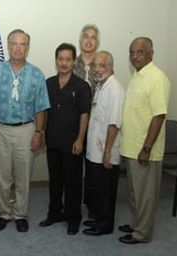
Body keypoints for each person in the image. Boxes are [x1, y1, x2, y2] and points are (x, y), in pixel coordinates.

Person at [0, 29, 50, 232]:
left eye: (22, 44)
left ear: (27, 48)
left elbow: (41, 107)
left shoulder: (36, 74)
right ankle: (4, 213)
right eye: (14, 43)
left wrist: (39, 133)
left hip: (26, 130)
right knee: (2, 176)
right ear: (7, 45)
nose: (18, 48)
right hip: (2, 129)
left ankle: (20, 213)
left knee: (23, 176)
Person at [119, 37, 171, 244]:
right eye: (132, 52)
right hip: (131, 148)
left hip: (145, 150)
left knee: (145, 196)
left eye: (140, 52)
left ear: (151, 53)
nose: (135, 56)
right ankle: (136, 224)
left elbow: (159, 116)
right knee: (135, 194)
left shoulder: (157, 78)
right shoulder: (137, 77)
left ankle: (142, 234)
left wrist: (147, 148)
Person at [39, 43, 91, 235]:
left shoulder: (82, 86)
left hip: (72, 143)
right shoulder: (49, 83)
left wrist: (80, 139)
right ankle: (54, 214)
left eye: (68, 59)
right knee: (55, 180)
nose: (64, 63)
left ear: (73, 62)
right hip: (52, 140)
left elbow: (84, 114)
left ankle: (73, 218)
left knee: (73, 182)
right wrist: (42, 133)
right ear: (56, 61)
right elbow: (44, 111)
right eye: (60, 59)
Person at [82, 51, 125, 236]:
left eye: (102, 65)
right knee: (98, 189)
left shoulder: (115, 89)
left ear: (111, 67)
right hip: (95, 151)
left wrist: (107, 152)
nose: (97, 69)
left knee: (106, 191)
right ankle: (99, 219)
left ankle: (105, 226)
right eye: (94, 65)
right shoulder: (101, 86)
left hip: (105, 152)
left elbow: (114, 124)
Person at [73, 24, 100, 220]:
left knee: (93, 168)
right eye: (86, 37)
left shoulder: (103, 63)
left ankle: (92, 204)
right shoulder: (71, 63)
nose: (89, 40)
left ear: (97, 42)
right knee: (73, 167)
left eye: (93, 37)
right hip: (74, 124)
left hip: (97, 124)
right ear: (80, 41)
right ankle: (73, 205)